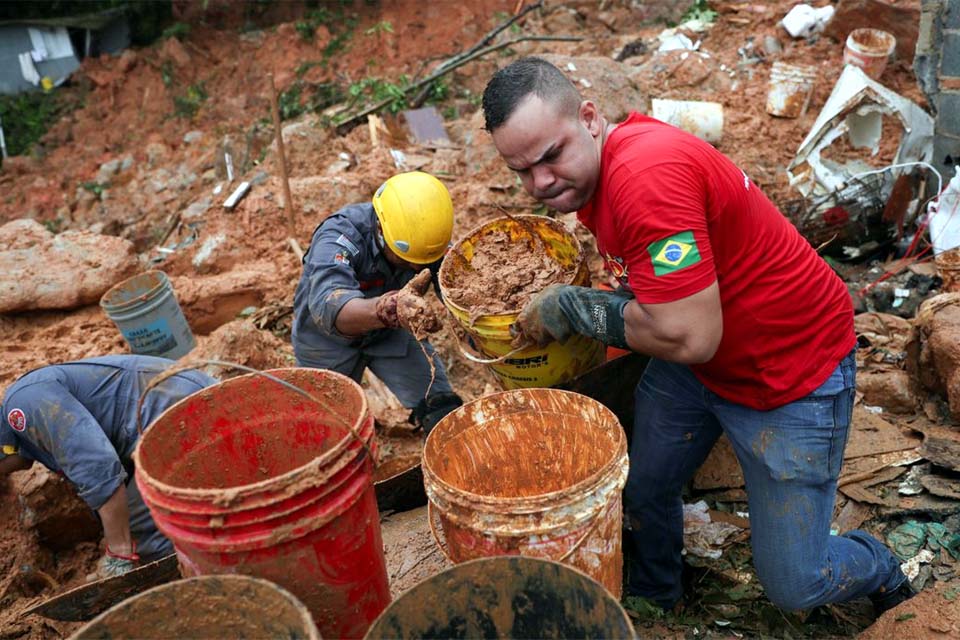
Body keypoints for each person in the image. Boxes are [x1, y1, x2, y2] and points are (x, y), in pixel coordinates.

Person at [480, 57, 912, 615]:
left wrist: (578, 308)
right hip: (703, 359)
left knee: (795, 585)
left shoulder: (644, 179)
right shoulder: (601, 175)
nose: (539, 183)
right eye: (522, 170)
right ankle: (658, 594)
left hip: (789, 371)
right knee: (641, 483)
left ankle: (877, 564)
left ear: (589, 118)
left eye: (550, 156)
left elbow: (689, 337)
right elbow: (672, 314)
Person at [0, 355, 214, 578]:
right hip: (172, 411)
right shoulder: (24, 429)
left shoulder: (23, 404)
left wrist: (119, 551)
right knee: (131, 523)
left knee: (141, 531)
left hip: (182, 410)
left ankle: (205, 588)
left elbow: (99, 469)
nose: (7, 474)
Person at [292, 171, 462, 433]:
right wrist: (387, 309)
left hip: (389, 335)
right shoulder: (340, 236)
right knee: (329, 425)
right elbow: (330, 304)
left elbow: (459, 294)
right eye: (406, 259)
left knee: (440, 406)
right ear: (381, 231)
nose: (417, 266)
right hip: (325, 341)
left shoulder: (427, 241)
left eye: (422, 260)